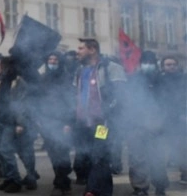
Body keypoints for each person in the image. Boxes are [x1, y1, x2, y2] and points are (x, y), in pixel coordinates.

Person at [67, 38, 126, 196]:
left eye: (81, 48)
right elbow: (75, 95)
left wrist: (108, 113)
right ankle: (104, 191)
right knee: (91, 157)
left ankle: (92, 191)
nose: (78, 52)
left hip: (103, 123)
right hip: (84, 124)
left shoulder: (111, 68)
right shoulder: (80, 70)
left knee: (99, 155)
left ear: (92, 50)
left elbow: (121, 95)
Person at [124, 51, 168, 196]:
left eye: (150, 62)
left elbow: (167, 103)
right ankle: (140, 188)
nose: (147, 65)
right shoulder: (133, 80)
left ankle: (160, 186)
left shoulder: (161, 81)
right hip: (136, 125)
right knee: (137, 159)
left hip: (157, 126)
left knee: (158, 159)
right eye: (145, 62)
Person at [0, 56, 38, 193]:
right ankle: (9, 178)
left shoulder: (17, 82)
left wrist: (20, 123)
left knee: (7, 150)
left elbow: (21, 104)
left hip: (10, 122)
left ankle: (16, 180)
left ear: (4, 66)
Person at [37, 51, 74, 196]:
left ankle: (59, 183)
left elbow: (70, 102)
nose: (52, 62)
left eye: (55, 59)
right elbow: (37, 101)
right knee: (53, 153)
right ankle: (64, 181)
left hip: (61, 121)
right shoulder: (42, 79)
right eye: (50, 59)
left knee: (62, 153)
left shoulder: (66, 78)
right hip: (47, 121)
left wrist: (68, 122)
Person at [160, 57, 187, 184]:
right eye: (168, 64)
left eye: (173, 64)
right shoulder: (159, 80)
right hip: (163, 120)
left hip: (181, 119)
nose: (171, 67)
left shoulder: (184, 79)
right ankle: (161, 179)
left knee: (183, 148)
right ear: (163, 67)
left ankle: (185, 174)